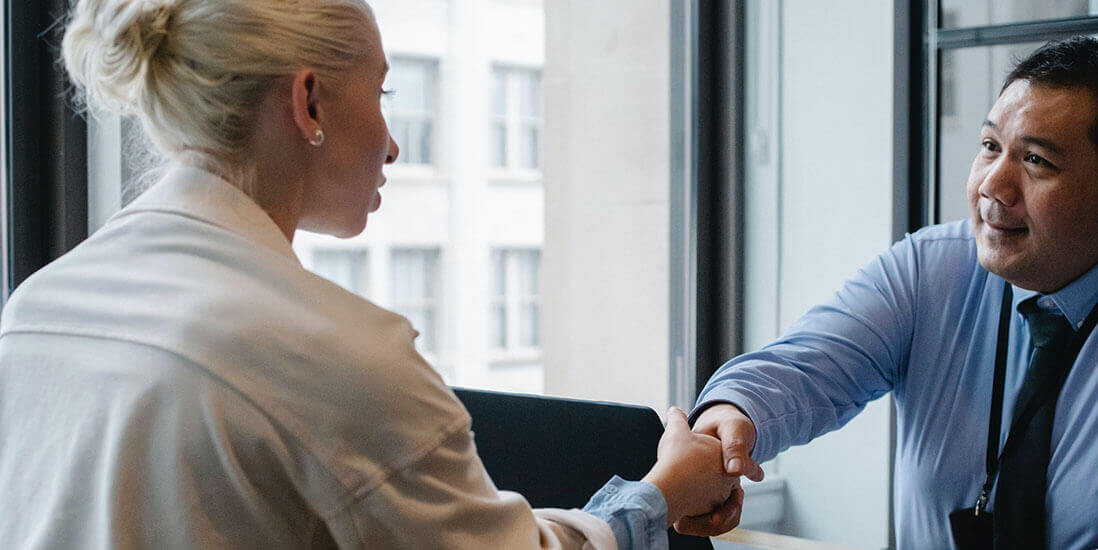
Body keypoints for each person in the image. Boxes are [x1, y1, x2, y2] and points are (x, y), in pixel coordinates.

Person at [0, 1, 737, 548]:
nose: (391, 145)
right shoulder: (335, 352)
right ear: (309, 99)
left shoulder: (36, 309)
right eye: (382, 93)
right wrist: (660, 493)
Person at [679, 36, 1098, 549]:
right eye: (991, 147)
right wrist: (731, 416)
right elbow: (803, 368)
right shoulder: (931, 268)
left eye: (1037, 161)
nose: (993, 187)